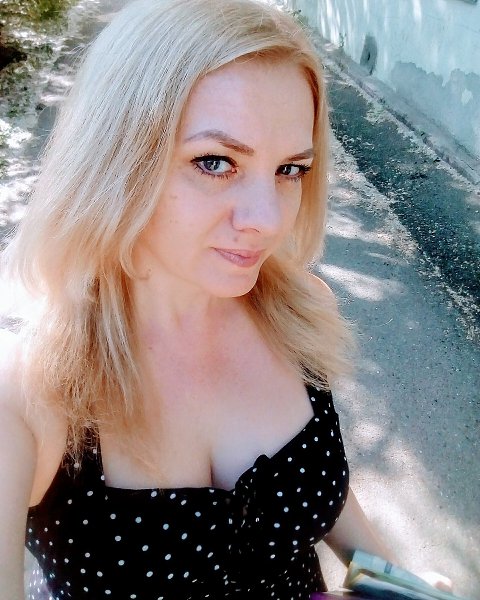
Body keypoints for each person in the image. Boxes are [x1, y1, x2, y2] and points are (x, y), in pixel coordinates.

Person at [0, 0, 452, 599]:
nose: (268, 220)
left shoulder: (299, 312)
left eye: (290, 169)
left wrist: (403, 585)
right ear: (114, 161)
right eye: (215, 162)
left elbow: (317, 485)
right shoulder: (31, 393)